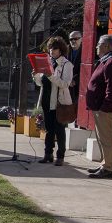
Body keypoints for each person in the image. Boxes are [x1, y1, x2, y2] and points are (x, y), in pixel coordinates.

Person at [85, 34, 112, 179]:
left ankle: (108, 168)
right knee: (102, 138)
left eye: (99, 44)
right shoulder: (106, 61)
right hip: (101, 109)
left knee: (107, 139)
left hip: (106, 110)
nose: (97, 47)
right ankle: (105, 164)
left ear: (107, 46)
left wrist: (105, 107)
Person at [33, 36, 74, 166]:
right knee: (49, 129)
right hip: (46, 100)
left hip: (59, 102)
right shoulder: (48, 62)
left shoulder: (67, 64)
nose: (51, 51)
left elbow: (65, 84)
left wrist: (50, 76)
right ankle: (48, 154)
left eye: (54, 48)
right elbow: (41, 83)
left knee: (59, 130)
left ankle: (60, 156)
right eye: (50, 48)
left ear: (61, 50)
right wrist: (36, 75)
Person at [67, 31, 83, 101]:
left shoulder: (86, 51)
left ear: (81, 39)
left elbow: (86, 70)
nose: (73, 41)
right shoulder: (65, 50)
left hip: (79, 87)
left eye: (76, 38)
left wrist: (75, 80)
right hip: (65, 85)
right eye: (71, 39)